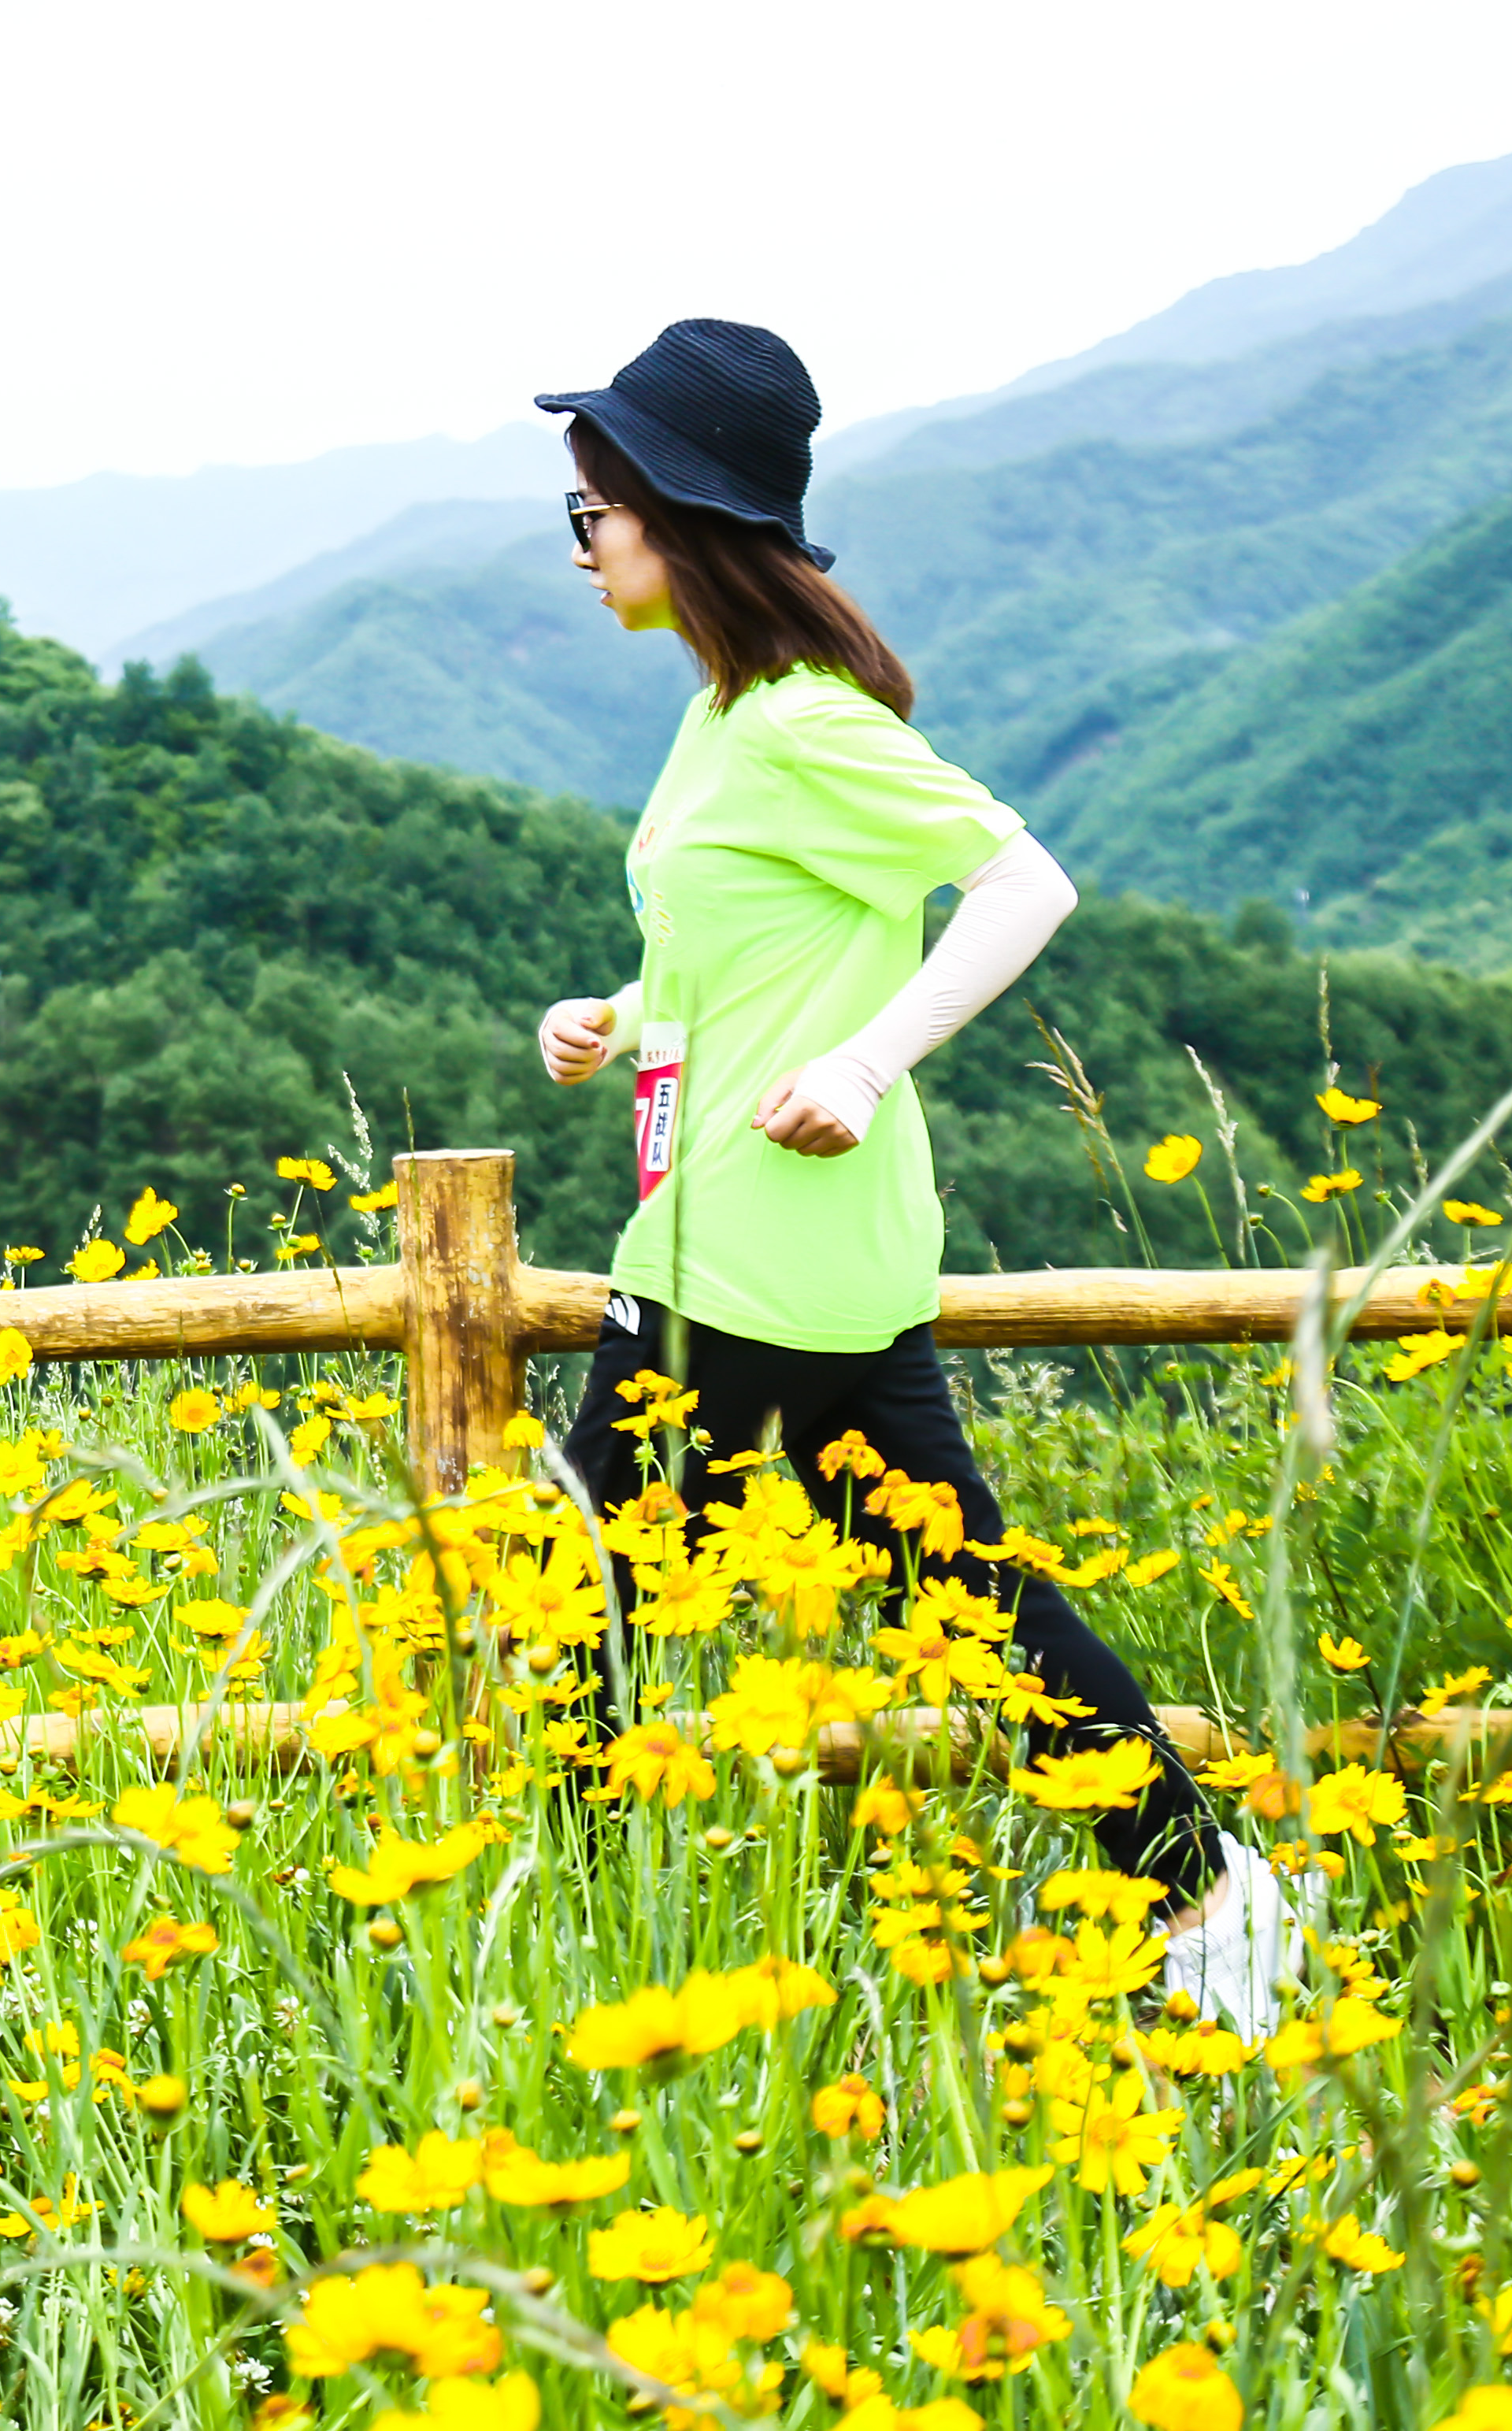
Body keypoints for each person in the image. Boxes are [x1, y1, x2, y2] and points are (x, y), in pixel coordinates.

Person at [525, 317, 1302, 2029]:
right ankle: (1210, 1902)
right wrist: (622, 1013)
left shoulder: (802, 719)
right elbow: (765, 951)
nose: (583, 549)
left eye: (595, 515)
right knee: (956, 1587)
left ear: (672, 512)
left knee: (582, 1618)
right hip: (762, 1238)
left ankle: (561, 1976)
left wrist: (871, 1064)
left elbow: (1026, 884)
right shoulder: (731, 712)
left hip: (746, 1251)